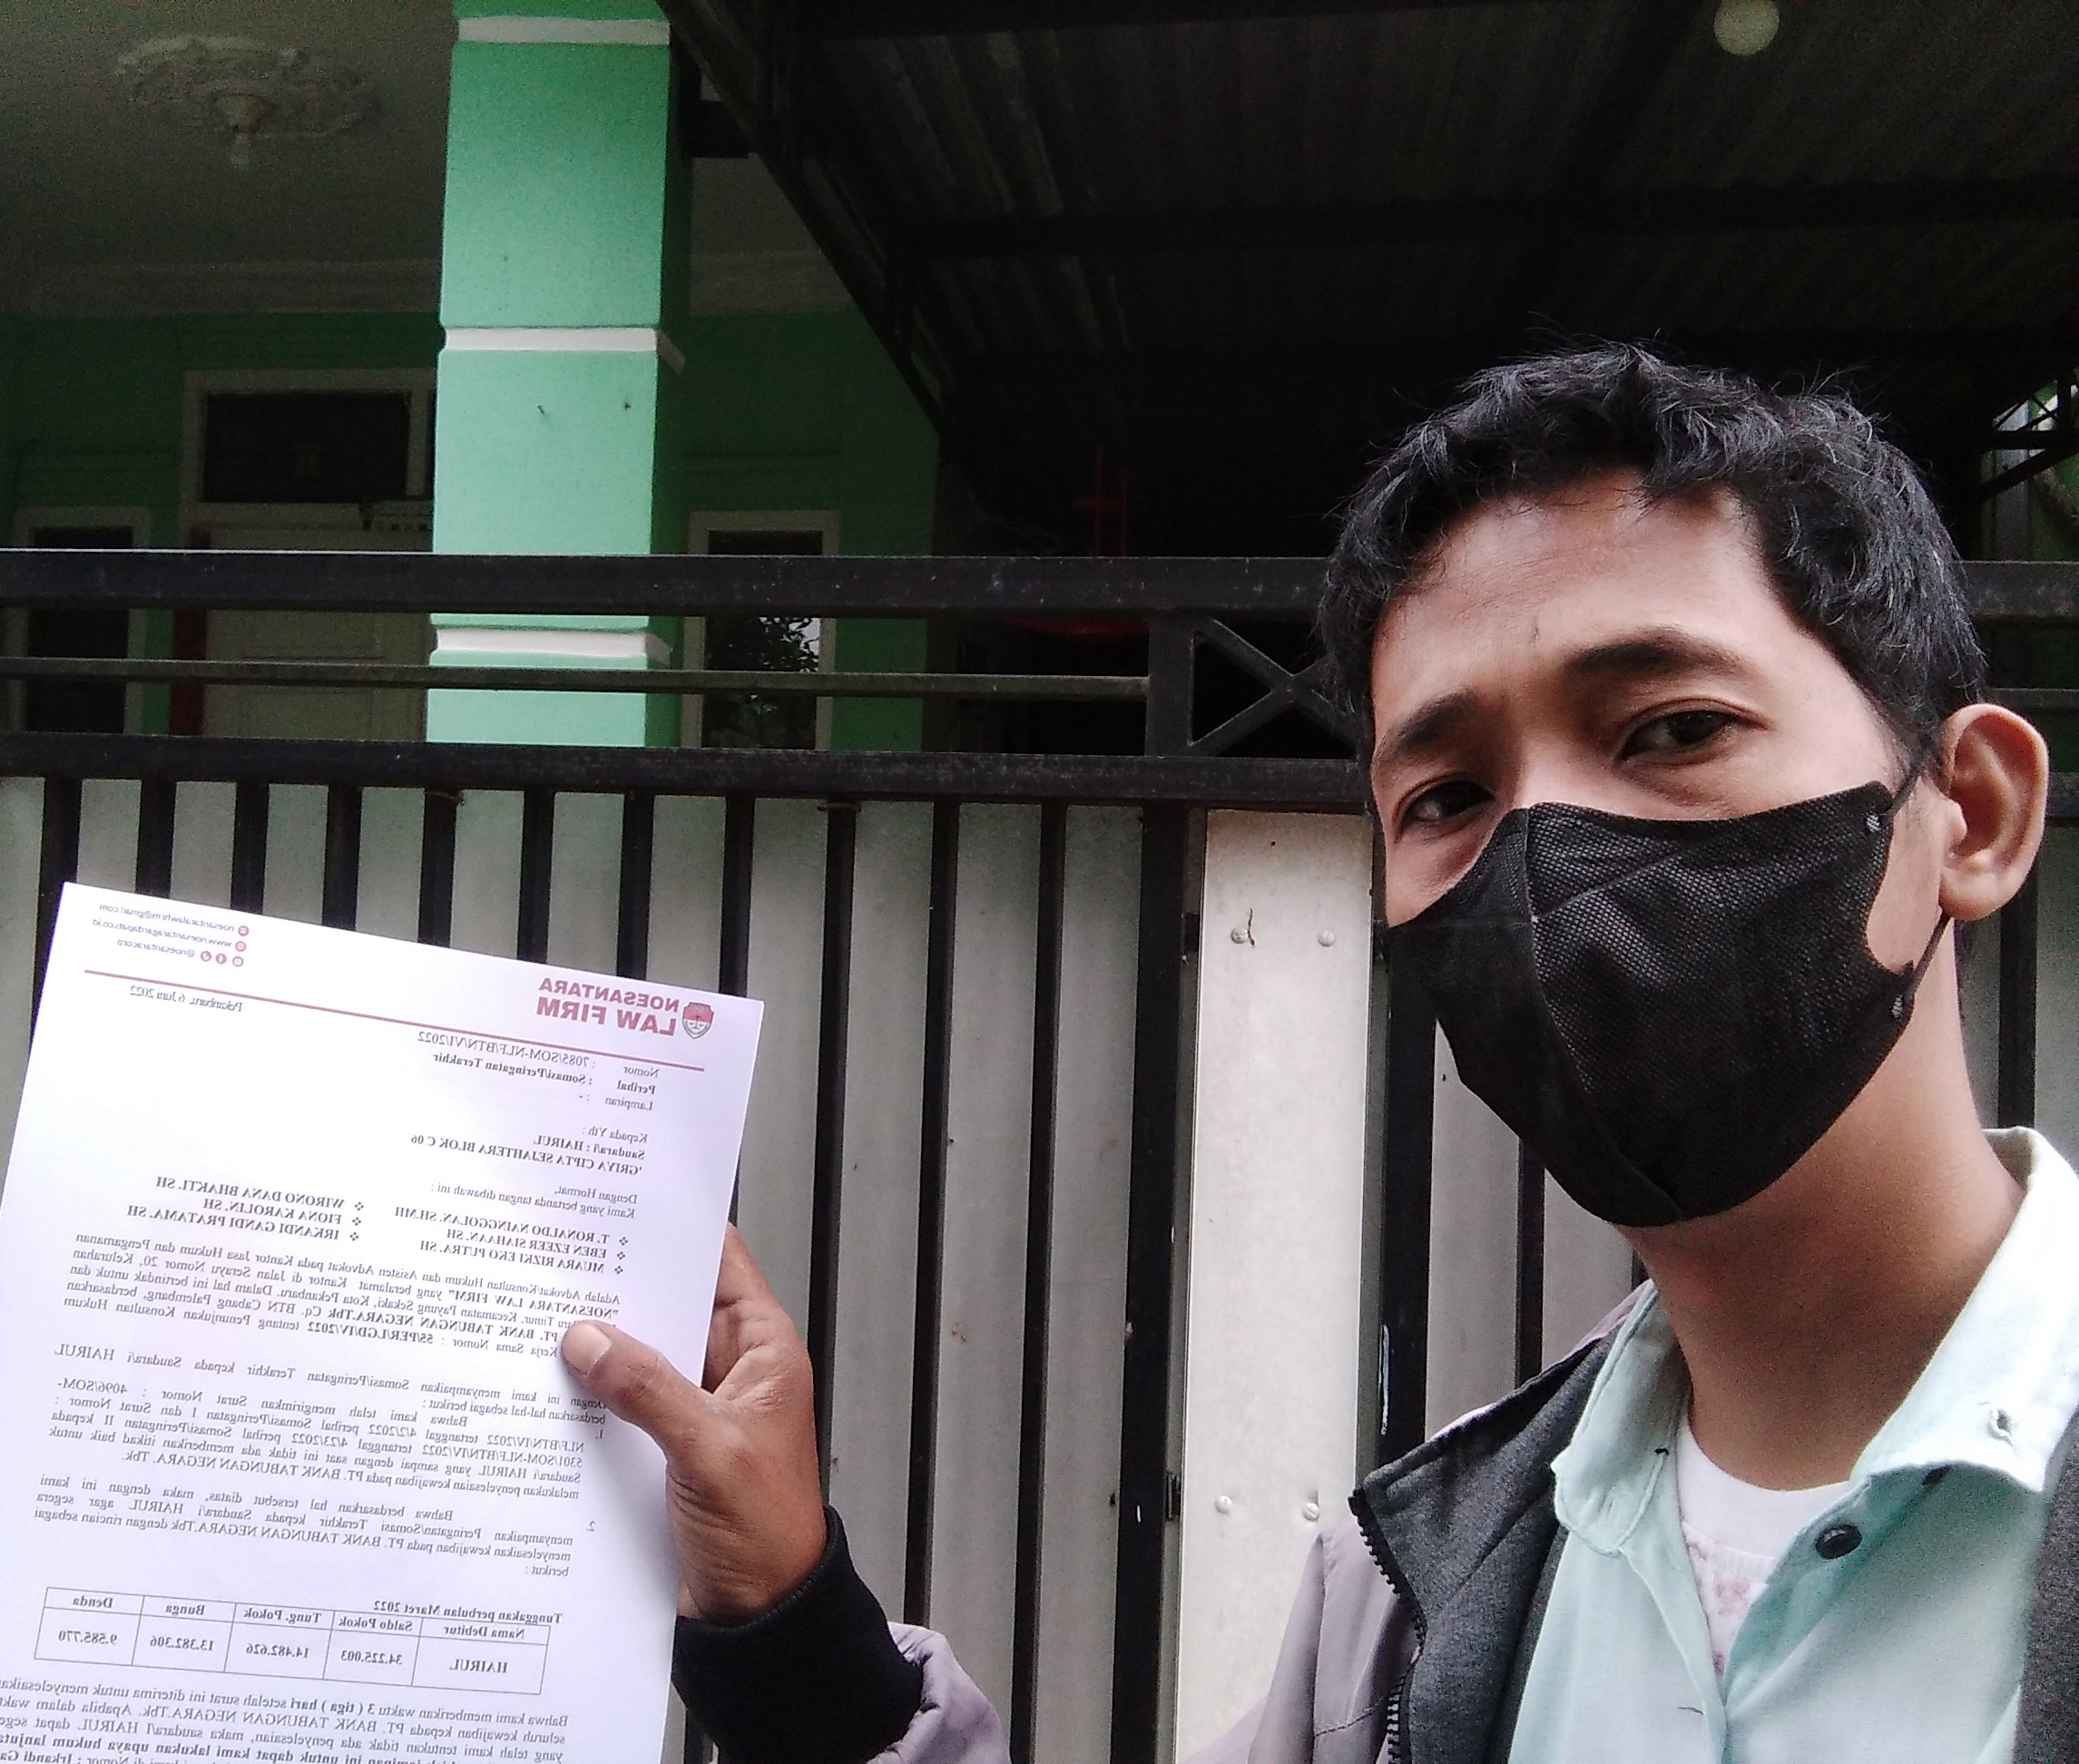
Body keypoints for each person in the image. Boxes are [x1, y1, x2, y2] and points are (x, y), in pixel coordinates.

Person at [554, 347, 2075, 1763]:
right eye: (1447, 798)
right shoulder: (1407, 1600)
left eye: (1673, 728)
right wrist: (789, 1618)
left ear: (1977, 814)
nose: (1545, 855)